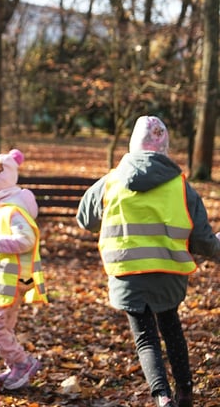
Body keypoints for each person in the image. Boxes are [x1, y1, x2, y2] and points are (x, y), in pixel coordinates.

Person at [76, 116, 220, 407]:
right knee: (171, 328)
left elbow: (85, 219)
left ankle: (162, 397)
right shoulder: (181, 187)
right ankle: (185, 392)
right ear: (165, 146)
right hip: (169, 272)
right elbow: (202, 240)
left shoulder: (110, 182)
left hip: (127, 271)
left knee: (145, 339)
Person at [0, 148, 46, 390]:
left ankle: (22, 363)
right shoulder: (2, 208)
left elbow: (26, 240)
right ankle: (15, 366)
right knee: (5, 326)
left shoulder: (12, 210)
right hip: (8, 278)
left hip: (13, 279)